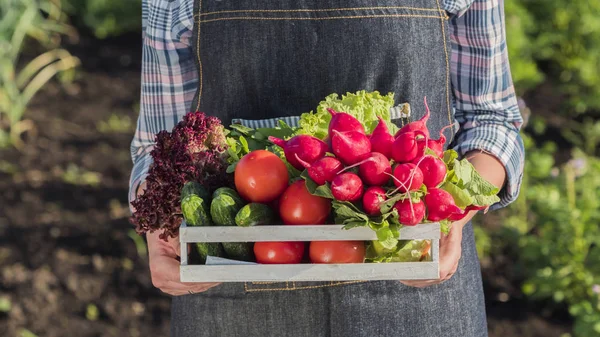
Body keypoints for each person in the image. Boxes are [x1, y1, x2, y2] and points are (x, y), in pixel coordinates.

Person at [129, 0, 524, 336]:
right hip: (231, 289)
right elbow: (157, 145)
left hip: (418, 280)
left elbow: (492, 121)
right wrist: (158, 228)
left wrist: (451, 214)